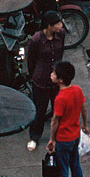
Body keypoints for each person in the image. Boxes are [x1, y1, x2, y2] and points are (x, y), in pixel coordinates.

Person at [46, 60, 88, 177]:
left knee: (63, 170)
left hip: (63, 139)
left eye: (54, 73)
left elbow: (55, 121)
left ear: (60, 79)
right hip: (75, 135)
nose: (51, 74)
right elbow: (83, 108)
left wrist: (52, 139)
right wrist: (84, 124)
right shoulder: (77, 90)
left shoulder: (60, 98)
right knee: (75, 164)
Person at [26, 10, 66, 149]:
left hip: (57, 80)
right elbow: (31, 62)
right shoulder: (35, 40)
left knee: (59, 109)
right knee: (39, 110)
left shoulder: (61, 35)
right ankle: (34, 137)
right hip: (41, 81)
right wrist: (35, 76)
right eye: (58, 23)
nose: (61, 25)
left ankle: (59, 136)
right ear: (49, 26)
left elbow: (61, 54)